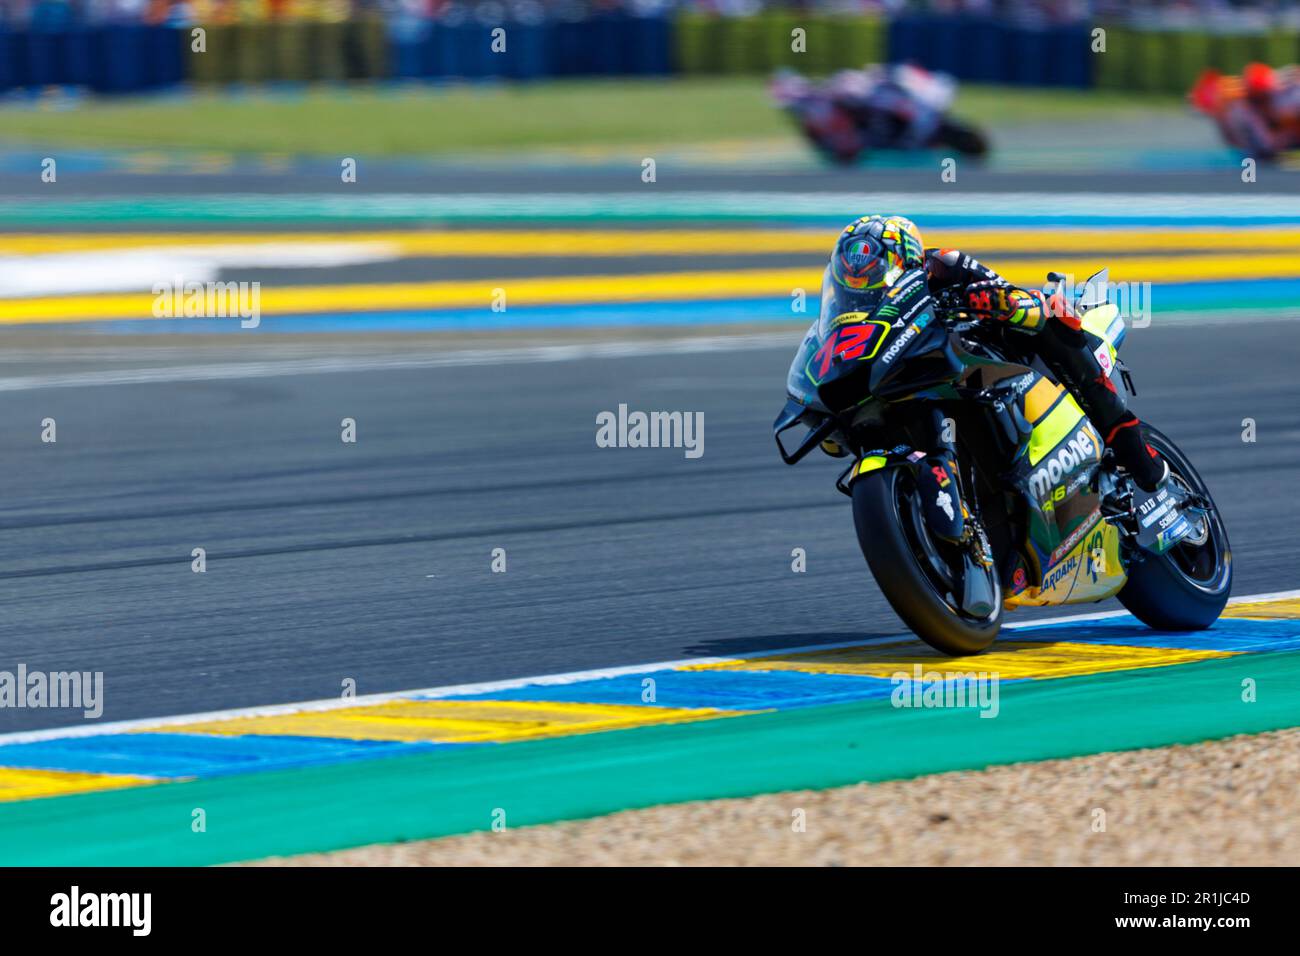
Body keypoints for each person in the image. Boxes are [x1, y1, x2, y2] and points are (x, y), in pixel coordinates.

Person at [829, 214, 1169, 494]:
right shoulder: (848, 313)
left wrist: (995, 302)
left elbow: (1008, 291)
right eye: (853, 276)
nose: (863, 282)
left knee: (1052, 311)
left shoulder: (942, 263)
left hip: (988, 353)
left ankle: (1127, 440)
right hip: (918, 380)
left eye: (872, 272)